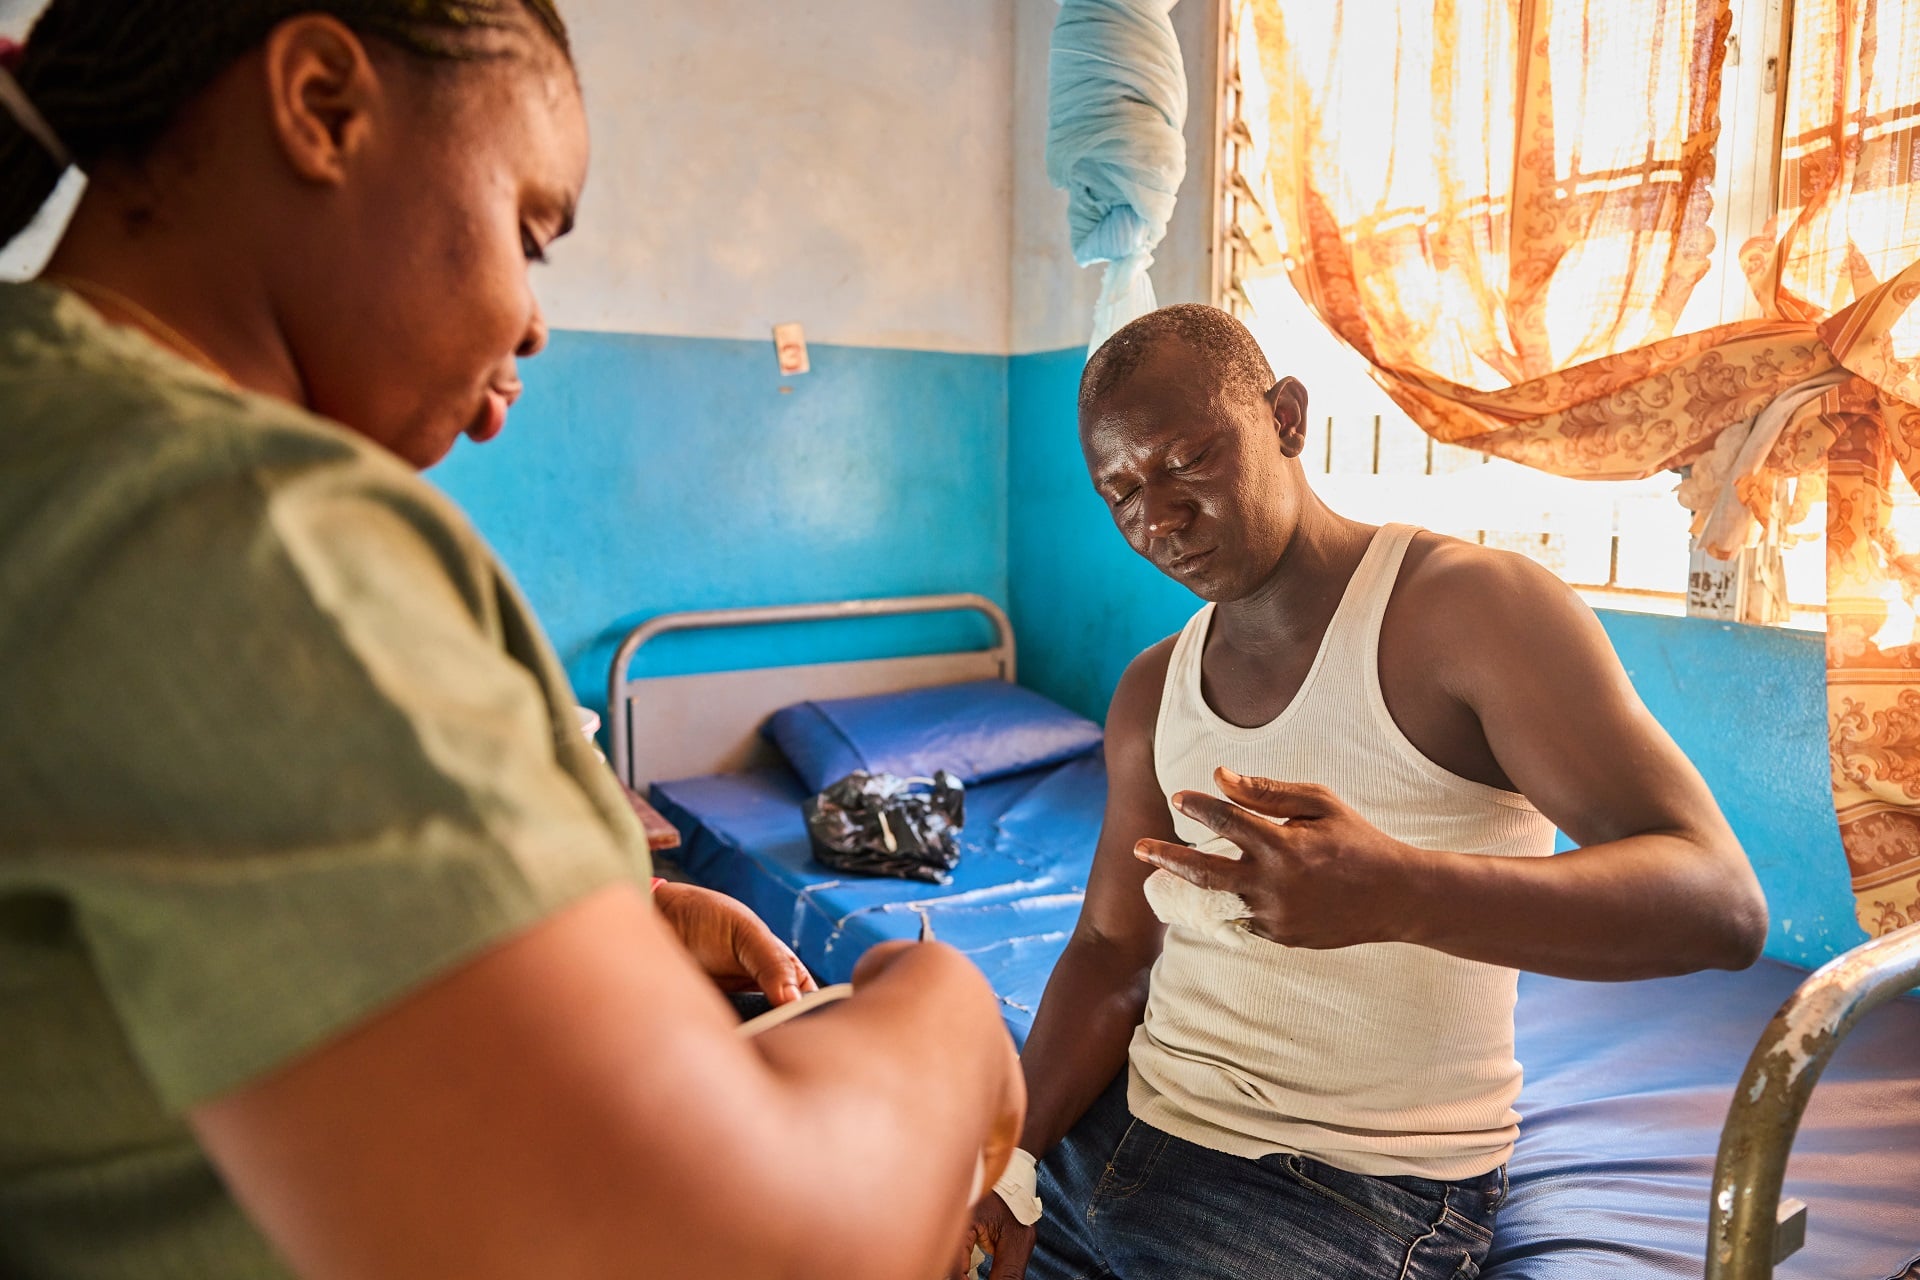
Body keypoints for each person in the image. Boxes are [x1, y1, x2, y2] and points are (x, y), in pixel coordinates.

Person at [0, 5, 1022, 1279]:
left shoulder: (55, 434)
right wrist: (947, 1016)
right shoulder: (245, 528)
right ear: (322, 107)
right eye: (531, 235)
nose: (533, 321)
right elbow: (758, 1251)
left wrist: (603, 916)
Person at [957, 304, 1768, 1280]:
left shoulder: (1468, 611)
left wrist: (1403, 890)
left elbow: (1720, 902)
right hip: (1122, 1127)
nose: (1158, 517)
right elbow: (1109, 944)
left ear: (1288, 419)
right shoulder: (1149, 689)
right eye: (1121, 490)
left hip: (1344, 1184)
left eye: (1185, 461)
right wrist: (1014, 1162)